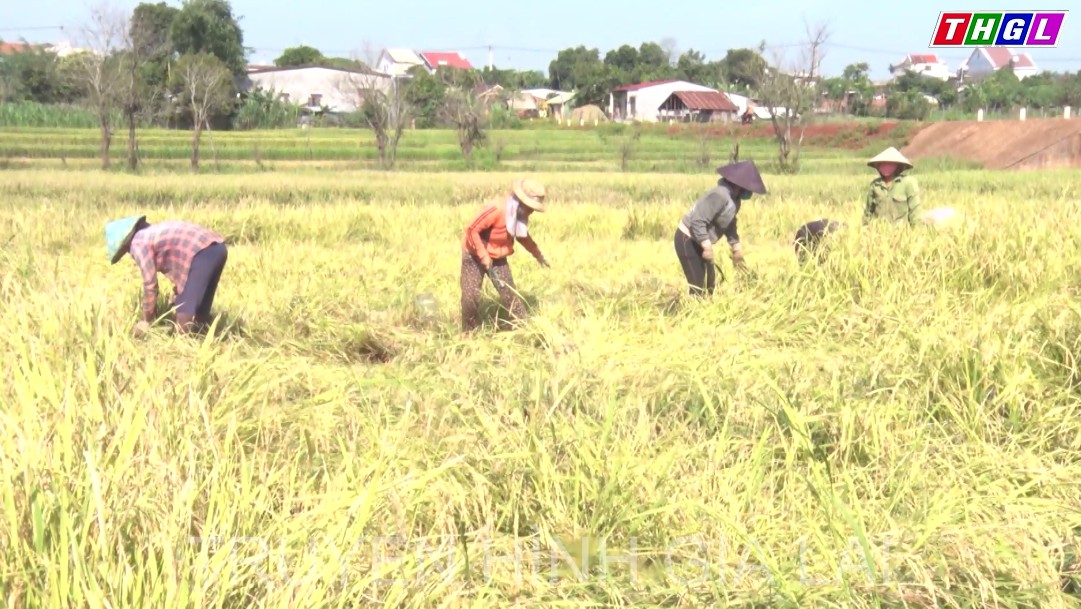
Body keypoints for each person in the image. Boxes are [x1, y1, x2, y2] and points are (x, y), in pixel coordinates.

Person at [105, 215, 228, 337]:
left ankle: (182, 348)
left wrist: (146, 319)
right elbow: (182, 262)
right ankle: (206, 338)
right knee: (200, 307)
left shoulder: (138, 242)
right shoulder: (151, 232)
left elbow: (150, 283)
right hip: (218, 248)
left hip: (202, 253)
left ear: (123, 244)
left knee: (184, 310)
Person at [460, 178, 550, 332]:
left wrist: (537, 254)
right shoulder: (497, 209)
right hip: (474, 255)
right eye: (530, 207)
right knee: (470, 297)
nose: (531, 211)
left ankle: (524, 329)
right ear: (521, 202)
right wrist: (483, 255)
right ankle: (469, 332)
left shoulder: (518, 216)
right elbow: (472, 229)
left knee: (510, 294)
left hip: (498, 257)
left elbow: (522, 236)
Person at [674, 160, 767, 297]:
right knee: (698, 286)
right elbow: (698, 220)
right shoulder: (719, 195)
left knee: (710, 283)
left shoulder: (735, 201)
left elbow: (729, 223)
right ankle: (690, 314)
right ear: (739, 185)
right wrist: (706, 246)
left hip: (700, 240)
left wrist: (736, 249)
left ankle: (704, 312)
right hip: (688, 238)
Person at [863, 147, 921, 226]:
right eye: (883, 164)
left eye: (889, 164)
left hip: (901, 231)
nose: (886, 166)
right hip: (879, 231)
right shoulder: (875, 185)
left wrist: (916, 231)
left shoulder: (908, 183)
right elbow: (868, 212)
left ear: (897, 165)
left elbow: (915, 212)